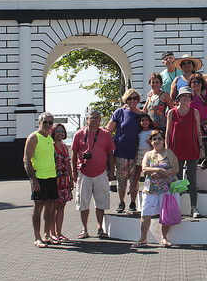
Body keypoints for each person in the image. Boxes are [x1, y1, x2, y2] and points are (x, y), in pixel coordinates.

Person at [132, 129, 180, 248]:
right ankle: (143, 239)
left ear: (163, 140)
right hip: (151, 189)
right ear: (151, 141)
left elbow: (175, 169)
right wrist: (158, 170)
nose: (157, 141)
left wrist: (164, 173)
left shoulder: (169, 153)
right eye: (154, 139)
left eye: (159, 138)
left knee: (165, 213)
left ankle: (164, 238)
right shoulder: (148, 154)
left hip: (166, 189)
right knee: (146, 213)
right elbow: (144, 168)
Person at [71, 110, 116, 239]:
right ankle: (84, 229)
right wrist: (74, 172)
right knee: (83, 202)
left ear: (100, 120)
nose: (94, 120)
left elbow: (110, 154)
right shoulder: (79, 134)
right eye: (92, 118)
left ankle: (100, 228)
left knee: (101, 202)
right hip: (83, 172)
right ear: (87, 120)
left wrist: (112, 171)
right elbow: (74, 153)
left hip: (101, 172)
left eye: (97, 118)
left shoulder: (106, 135)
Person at [166, 86, 204, 218]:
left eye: (188, 96)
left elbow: (198, 132)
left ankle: (194, 207)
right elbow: (168, 133)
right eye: (184, 96)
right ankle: (176, 207)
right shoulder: (171, 112)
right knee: (177, 179)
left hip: (192, 148)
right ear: (179, 98)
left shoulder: (195, 112)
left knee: (192, 179)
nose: (186, 98)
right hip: (176, 150)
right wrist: (167, 151)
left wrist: (201, 147)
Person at [106, 89, 144, 214]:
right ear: (125, 100)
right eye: (129, 99)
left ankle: (133, 203)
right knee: (121, 178)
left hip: (135, 151)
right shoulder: (120, 112)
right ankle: (121, 202)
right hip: (120, 150)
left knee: (134, 178)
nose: (132, 101)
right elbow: (109, 129)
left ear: (138, 100)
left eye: (135, 98)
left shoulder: (142, 114)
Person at [23, 112, 58, 248]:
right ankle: (37, 237)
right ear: (39, 123)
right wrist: (34, 180)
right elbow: (26, 160)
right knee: (38, 207)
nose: (48, 125)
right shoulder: (34, 137)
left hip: (51, 177)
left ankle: (46, 235)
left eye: (50, 122)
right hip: (39, 178)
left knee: (50, 207)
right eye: (45, 122)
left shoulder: (49, 138)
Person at [50, 123, 74, 242]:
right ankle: (52, 233)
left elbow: (68, 163)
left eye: (62, 131)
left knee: (61, 207)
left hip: (64, 180)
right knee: (52, 207)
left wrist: (71, 178)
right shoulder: (51, 146)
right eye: (58, 131)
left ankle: (59, 232)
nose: (60, 133)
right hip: (54, 180)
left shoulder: (65, 146)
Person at [188, 72, 207, 168]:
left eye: (198, 82)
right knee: (200, 149)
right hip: (197, 127)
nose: (196, 84)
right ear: (190, 84)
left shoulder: (204, 95)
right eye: (193, 82)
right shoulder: (190, 96)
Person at [134, 114, 154, 203]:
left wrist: (151, 143)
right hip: (140, 153)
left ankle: (148, 187)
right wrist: (136, 154)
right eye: (142, 121)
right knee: (138, 171)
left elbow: (156, 143)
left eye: (146, 120)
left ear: (149, 121)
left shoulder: (152, 132)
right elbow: (138, 144)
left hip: (148, 153)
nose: (144, 122)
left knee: (148, 172)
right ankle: (134, 187)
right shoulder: (139, 133)